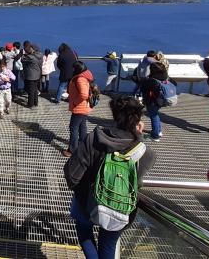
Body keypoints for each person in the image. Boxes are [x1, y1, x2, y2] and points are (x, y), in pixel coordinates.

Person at [64, 96, 156, 259]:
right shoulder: (146, 153)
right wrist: (139, 136)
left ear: (114, 114)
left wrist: (84, 190)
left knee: (84, 230)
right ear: (138, 119)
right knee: (108, 243)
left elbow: (72, 175)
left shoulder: (94, 139)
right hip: (121, 208)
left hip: (87, 203)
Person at [62, 61, 94, 157]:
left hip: (79, 108)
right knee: (82, 126)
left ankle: (72, 150)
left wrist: (75, 101)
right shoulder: (85, 75)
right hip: (84, 107)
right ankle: (82, 145)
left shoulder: (80, 79)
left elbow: (84, 94)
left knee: (73, 128)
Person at [140, 62, 169, 142]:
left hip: (152, 100)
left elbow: (144, 89)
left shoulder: (152, 80)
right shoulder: (165, 76)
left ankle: (155, 135)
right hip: (160, 100)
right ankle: (159, 131)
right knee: (155, 114)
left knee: (153, 116)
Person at [21, 43, 43, 108]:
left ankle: (30, 104)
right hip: (38, 75)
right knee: (35, 89)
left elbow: (22, 60)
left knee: (31, 90)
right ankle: (36, 103)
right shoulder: (40, 55)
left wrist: (22, 54)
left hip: (31, 76)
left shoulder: (30, 57)